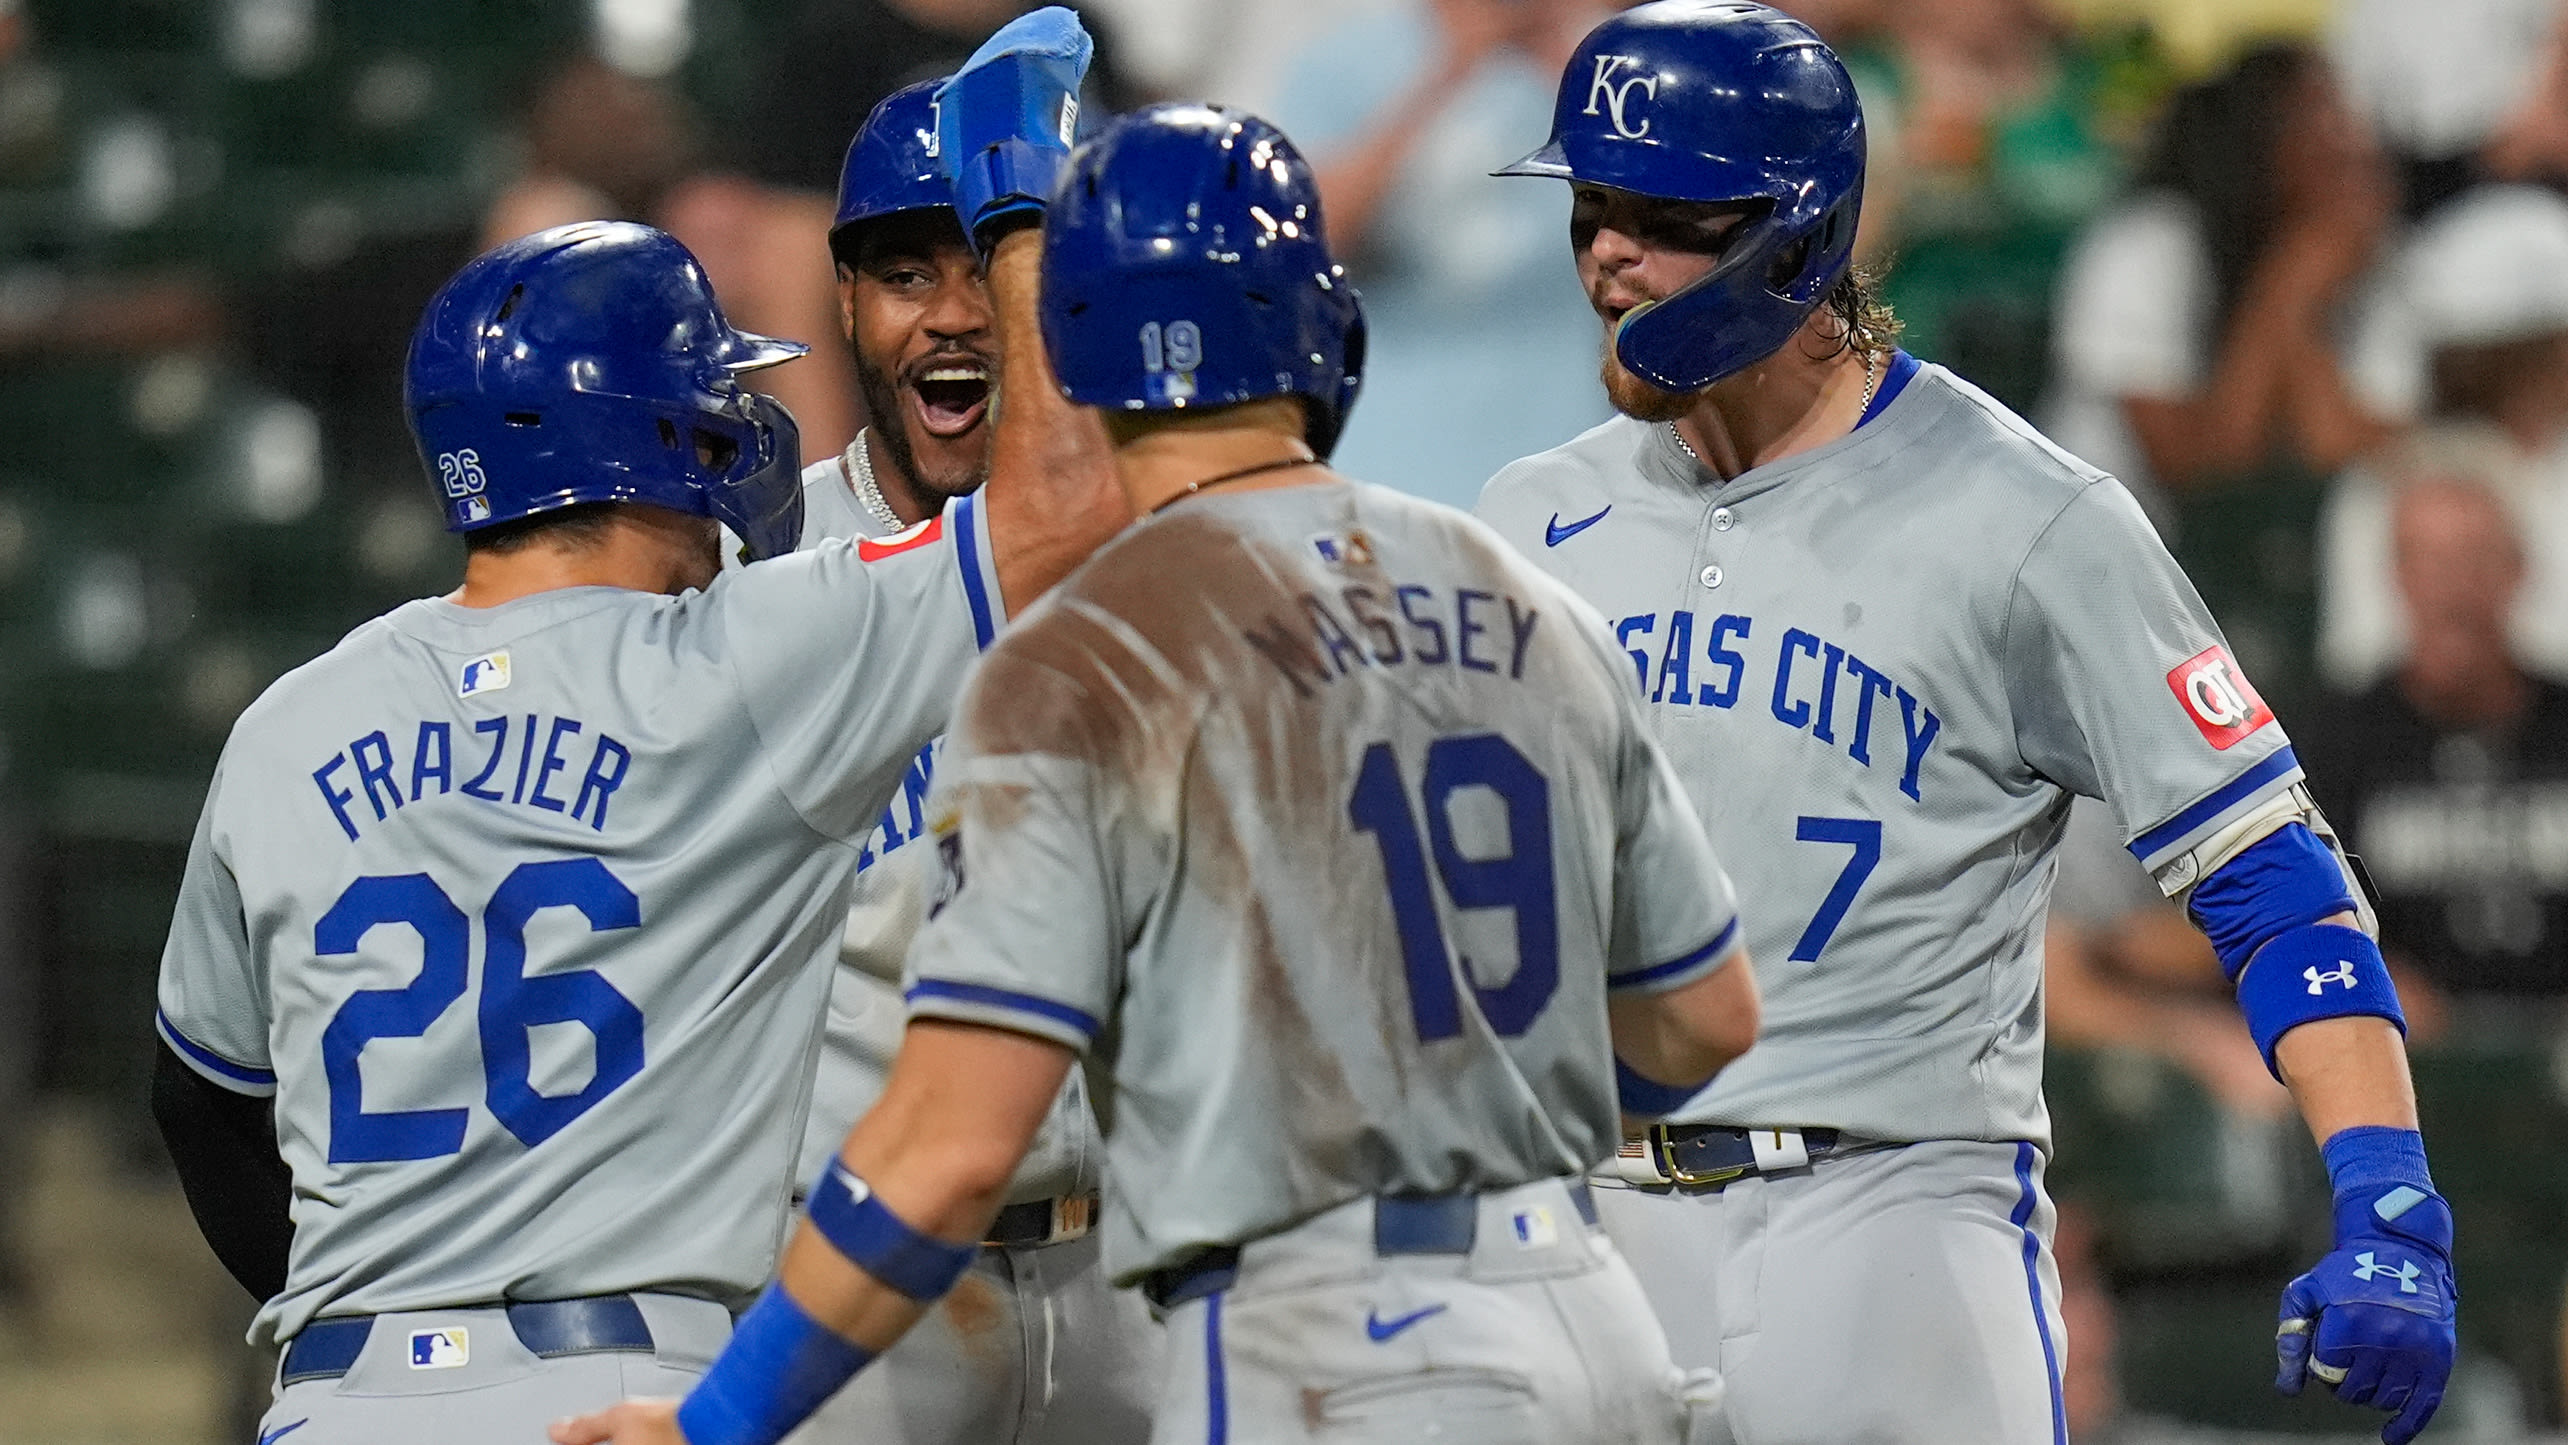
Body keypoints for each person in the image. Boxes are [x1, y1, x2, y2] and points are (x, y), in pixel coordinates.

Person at [553, 21, 1761, 1445]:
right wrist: (1468, 1109)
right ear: (1331, 332)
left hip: (1328, 1338)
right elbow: (1703, 1017)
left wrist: (712, 1424)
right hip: (1590, 1315)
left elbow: (947, 1147)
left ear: (1065, 350)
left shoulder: (1089, 653)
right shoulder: (1520, 589)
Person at [1474, 5, 2457, 1443]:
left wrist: (2386, 1189)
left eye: (1664, 215)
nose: (1608, 254)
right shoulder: (1528, 516)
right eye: (1592, 208)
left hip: (1888, 1222)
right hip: (1587, 1227)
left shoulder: (2030, 517)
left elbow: (2271, 875)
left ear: (1798, 232)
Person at [145, 202, 1122, 1437]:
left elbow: (202, 1102)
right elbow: (1067, 502)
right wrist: (1022, 216)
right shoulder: (742, 663)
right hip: (617, 1382)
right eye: (714, 399)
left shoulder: (286, 725)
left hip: (337, 1395)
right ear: (662, 433)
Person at [750, 79, 1161, 1444]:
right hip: (850, 1288)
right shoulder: (749, 583)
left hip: (1137, 1274)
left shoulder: (1190, 556)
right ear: (846, 302)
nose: (954, 315)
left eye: (991, 266)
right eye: (905, 273)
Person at [2302, 472, 2568, 1016]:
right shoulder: (2334, 741)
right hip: (2393, 1038)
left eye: (2475, 559)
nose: (2452, 589)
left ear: (2519, 570)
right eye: (2428, 561)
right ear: (2395, 577)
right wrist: (2368, 977)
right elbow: (2296, 916)